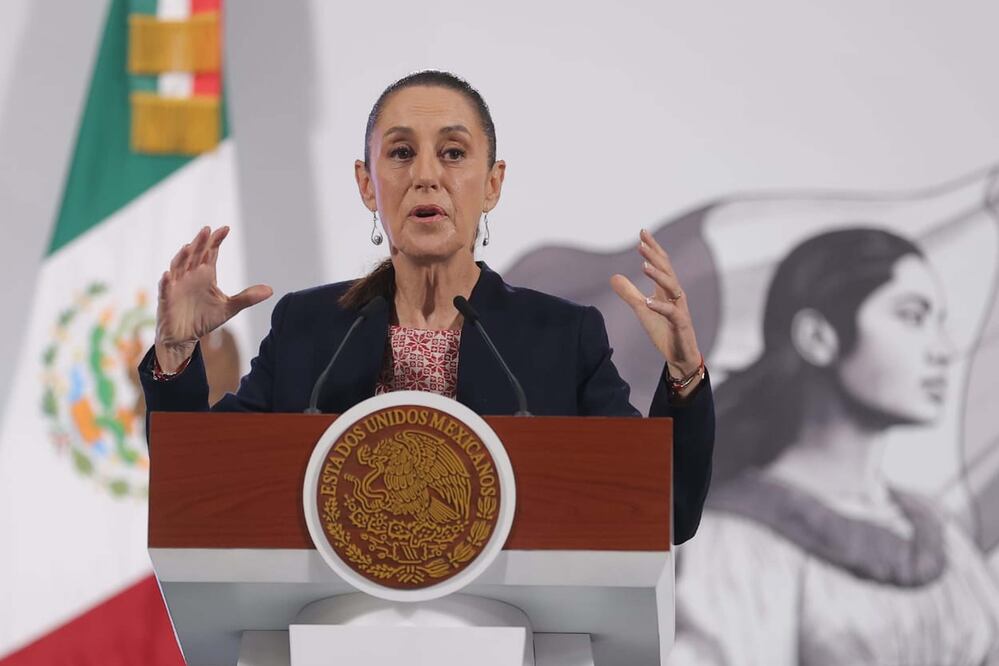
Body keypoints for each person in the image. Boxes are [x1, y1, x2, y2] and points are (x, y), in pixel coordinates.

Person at [138, 70, 715, 544]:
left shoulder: (561, 337)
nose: (426, 176)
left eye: (454, 152)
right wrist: (176, 354)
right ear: (368, 185)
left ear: (492, 184)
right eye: (401, 153)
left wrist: (685, 376)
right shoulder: (309, 330)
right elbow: (198, 484)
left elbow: (667, 511)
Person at [671, 228, 999, 664]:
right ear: (818, 337)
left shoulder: (942, 536)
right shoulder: (732, 540)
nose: (943, 350)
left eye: (939, 322)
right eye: (912, 316)